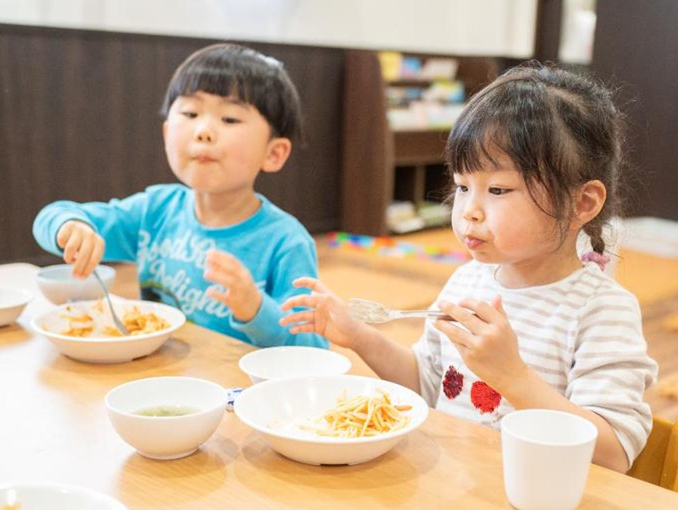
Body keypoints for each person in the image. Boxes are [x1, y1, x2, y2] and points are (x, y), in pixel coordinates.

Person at [280, 62, 658, 472]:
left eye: (498, 189)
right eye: (462, 186)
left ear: (582, 204)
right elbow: (427, 385)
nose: (468, 212)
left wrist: (512, 376)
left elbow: (613, 453)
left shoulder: (600, 311)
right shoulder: (468, 281)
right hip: (450, 480)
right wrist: (358, 336)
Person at [33, 43, 326, 348]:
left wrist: (256, 309)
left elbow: (313, 350)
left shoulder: (286, 242)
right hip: (159, 372)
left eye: (229, 119)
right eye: (190, 113)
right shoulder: (155, 211)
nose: (203, 131)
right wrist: (71, 227)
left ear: (273, 153)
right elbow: (51, 215)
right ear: (166, 134)